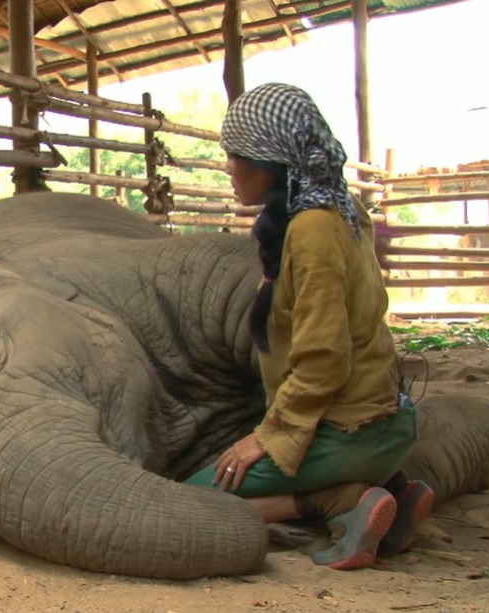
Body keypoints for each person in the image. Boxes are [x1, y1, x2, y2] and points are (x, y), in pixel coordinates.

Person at [181, 83, 435, 571]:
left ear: (272, 161)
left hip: (346, 434)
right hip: (382, 426)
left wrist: (270, 436)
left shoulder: (312, 230)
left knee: (192, 501)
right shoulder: (342, 210)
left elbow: (324, 357)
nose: (229, 167)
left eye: (238, 156)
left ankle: (334, 500)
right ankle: (393, 495)